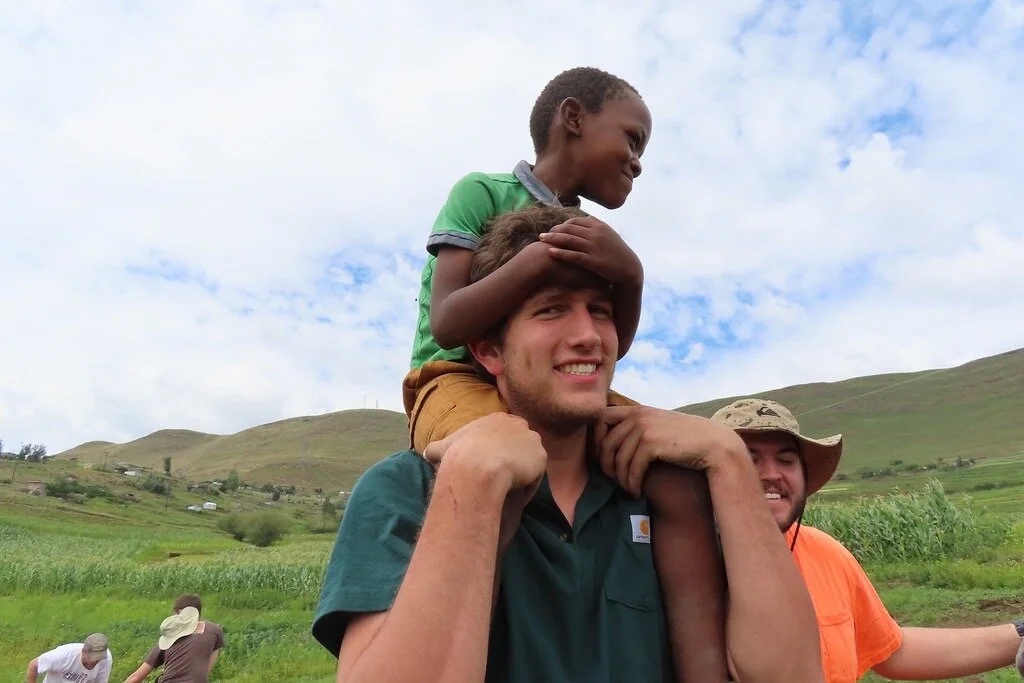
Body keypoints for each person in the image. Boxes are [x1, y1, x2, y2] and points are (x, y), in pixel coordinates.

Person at [313, 205, 824, 682]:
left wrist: (730, 458)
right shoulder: (403, 490)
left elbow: (791, 673)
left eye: (600, 311)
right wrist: (472, 484)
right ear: (489, 350)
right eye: (552, 310)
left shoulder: (661, 491)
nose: (589, 336)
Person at [402, 66, 728, 679]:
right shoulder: (483, 192)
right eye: (631, 140)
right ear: (573, 119)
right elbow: (448, 322)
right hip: (458, 377)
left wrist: (629, 274)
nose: (637, 162)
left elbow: (605, 352)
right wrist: (537, 263)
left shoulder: (596, 234)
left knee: (675, 468)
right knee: (488, 466)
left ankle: (703, 663)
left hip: (556, 382)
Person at [710, 397, 1024, 682]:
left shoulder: (825, 552)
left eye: (786, 459)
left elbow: (892, 651)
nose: (772, 473)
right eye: (747, 459)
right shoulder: (684, 570)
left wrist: (1020, 635)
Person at [123, 594, 225, 683]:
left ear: (180, 612)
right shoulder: (215, 631)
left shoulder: (169, 637)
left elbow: (136, 678)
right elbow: (206, 670)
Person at [25, 633, 111, 683]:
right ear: (84, 652)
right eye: (93, 658)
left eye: (99, 659)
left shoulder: (106, 660)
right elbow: (34, 665)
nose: (96, 662)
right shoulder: (64, 656)